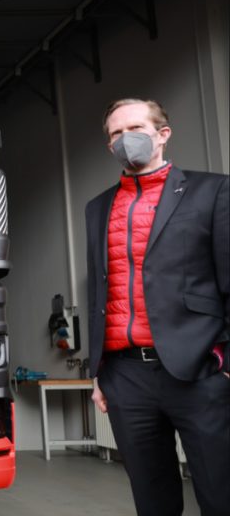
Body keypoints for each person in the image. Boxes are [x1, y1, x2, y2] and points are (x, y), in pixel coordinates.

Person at [86, 98, 229, 516]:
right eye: (115, 133)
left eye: (134, 128)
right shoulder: (98, 208)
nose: (125, 139)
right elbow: (100, 293)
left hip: (199, 370)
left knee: (220, 495)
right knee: (153, 501)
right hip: (125, 376)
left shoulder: (214, 191)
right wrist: (98, 371)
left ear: (163, 134)